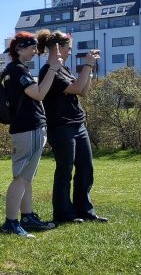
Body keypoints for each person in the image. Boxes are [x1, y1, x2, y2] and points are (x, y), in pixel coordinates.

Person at [37, 29, 107, 223]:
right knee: (65, 171)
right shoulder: (48, 71)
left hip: (78, 125)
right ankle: (64, 214)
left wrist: (89, 69)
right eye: (68, 48)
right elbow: (76, 87)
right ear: (58, 48)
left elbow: (82, 91)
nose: (70, 52)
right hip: (61, 127)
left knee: (86, 169)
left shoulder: (64, 69)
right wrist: (87, 64)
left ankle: (85, 210)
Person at [1, 31, 60, 237]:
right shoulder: (17, 70)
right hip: (29, 128)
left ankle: (27, 217)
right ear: (19, 49)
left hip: (24, 128)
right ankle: (11, 223)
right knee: (20, 177)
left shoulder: (13, 69)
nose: (36, 51)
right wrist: (53, 69)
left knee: (26, 177)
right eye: (32, 47)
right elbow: (39, 93)